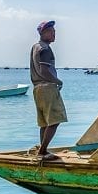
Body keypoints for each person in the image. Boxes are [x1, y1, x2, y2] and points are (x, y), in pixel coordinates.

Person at [30, 20, 67, 162]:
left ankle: (42, 151)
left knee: (44, 122)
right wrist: (58, 81)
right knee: (55, 120)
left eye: (54, 32)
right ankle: (43, 151)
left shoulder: (35, 47)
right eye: (51, 32)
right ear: (43, 33)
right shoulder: (44, 49)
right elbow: (44, 71)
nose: (54, 34)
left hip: (37, 88)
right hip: (47, 88)